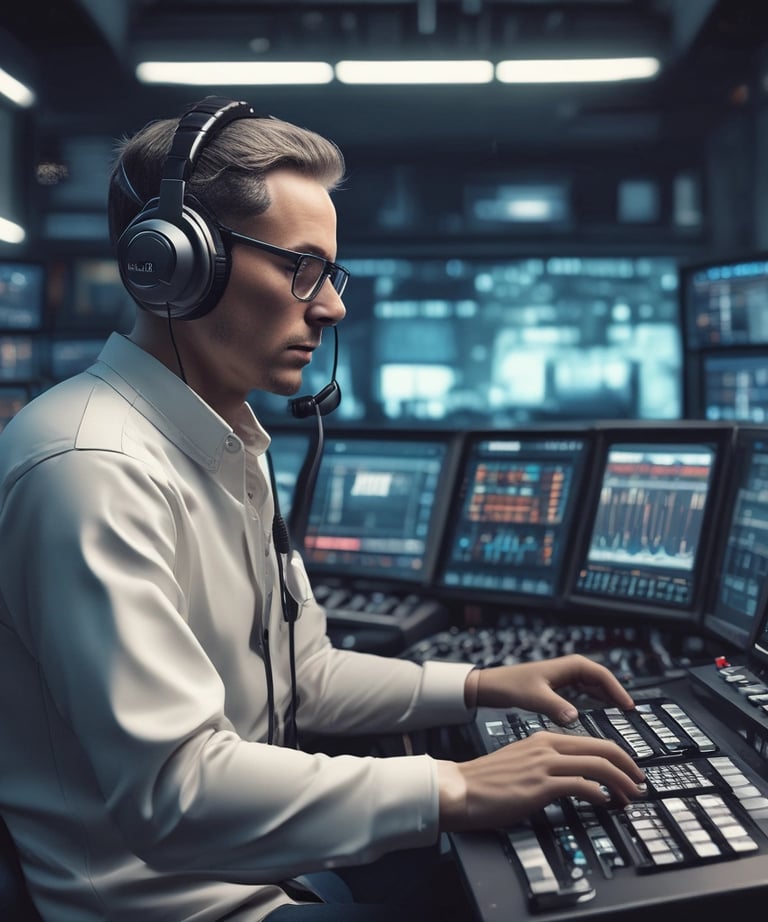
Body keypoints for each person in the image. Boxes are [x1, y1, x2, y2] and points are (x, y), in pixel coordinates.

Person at [0, 96, 646, 922]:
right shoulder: (89, 469)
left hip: (261, 875)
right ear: (177, 264)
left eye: (330, 272)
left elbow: (299, 680)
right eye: (301, 266)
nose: (333, 305)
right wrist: (452, 785)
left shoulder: (224, 438)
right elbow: (174, 792)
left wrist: (482, 685)